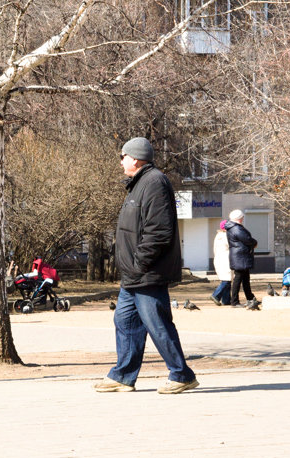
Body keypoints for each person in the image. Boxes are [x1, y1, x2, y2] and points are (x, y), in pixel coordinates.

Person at [94, 137, 198, 394]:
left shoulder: (154, 183)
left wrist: (140, 262)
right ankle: (122, 376)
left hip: (147, 272)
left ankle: (181, 375)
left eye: (124, 157)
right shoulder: (139, 184)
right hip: (134, 274)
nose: (121, 162)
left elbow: (158, 231)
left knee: (157, 323)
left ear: (136, 158)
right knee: (125, 320)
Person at [225, 209, 258, 308]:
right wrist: (254, 242)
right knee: (239, 279)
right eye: (242, 217)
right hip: (241, 257)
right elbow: (247, 239)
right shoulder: (236, 228)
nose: (243, 219)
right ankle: (234, 301)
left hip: (240, 256)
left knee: (244, 279)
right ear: (239, 218)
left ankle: (250, 298)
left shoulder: (232, 227)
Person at [210, 220, 231, 306]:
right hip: (225, 260)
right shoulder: (225, 236)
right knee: (227, 279)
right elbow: (231, 245)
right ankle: (216, 295)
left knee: (227, 280)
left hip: (219, 259)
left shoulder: (218, 235)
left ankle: (226, 300)